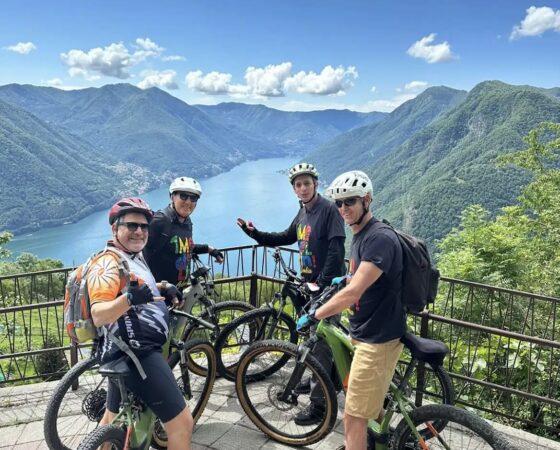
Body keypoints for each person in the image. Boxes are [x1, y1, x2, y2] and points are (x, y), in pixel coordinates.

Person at [297, 170, 406, 450]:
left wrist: (315, 313)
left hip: (377, 339)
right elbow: (362, 280)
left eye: (350, 202)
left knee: (353, 418)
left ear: (367, 200)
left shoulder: (378, 237)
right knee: (371, 407)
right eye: (339, 203)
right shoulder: (361, 234)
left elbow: (355, 292)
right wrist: (345, 279)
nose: (343, 209)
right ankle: (381, 442)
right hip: (366, 332)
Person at [237, 162, 346, 425]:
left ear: (315, 184)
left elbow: (337, 249)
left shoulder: (328, 209)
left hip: (327, 288)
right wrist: (254, 233)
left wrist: (321, 283)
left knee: (319, 343)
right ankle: (328, 382)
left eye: (307, 183)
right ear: (294, 189)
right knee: (319, 338)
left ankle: (320, 407)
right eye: (298, 184)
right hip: (312, 287)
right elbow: (286, 236)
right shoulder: (303, 212)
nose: (303, 188)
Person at [89, 197, 192, 450]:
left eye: (144, 227)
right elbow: (99, 314)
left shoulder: (131, 256)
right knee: (182, 424)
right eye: (131, 226)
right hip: (137, 354)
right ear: (115, 229)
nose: (139, 231)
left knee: (111, 418)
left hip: (122, 349)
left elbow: (138, 289)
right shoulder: (107, 264)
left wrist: (163, 287)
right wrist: (129, 299)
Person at [144, 176, 223, 290]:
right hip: (158, 292)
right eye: (183, 196)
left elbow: (184, 247)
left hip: (178, 289)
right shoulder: (161, 220)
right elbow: (137, 250)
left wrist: (210, 249)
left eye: (193, 198)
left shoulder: (187, 222)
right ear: (172, 197)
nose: (188, 202)